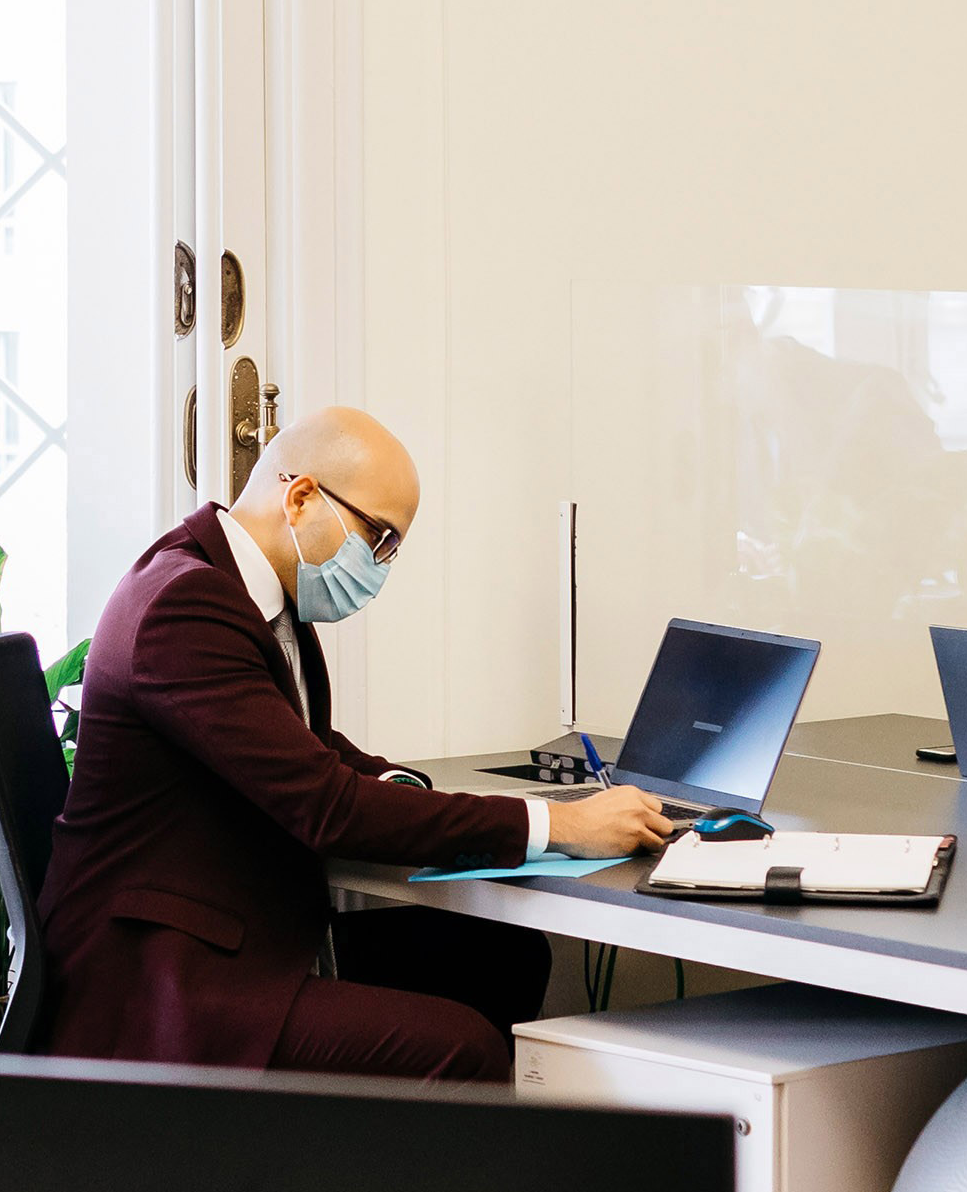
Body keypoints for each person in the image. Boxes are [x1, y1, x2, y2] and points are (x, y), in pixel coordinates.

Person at [35, 406, 675, 1084]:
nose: (381, 564)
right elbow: (326, 807)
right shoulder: (183, 607)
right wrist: (559, 823)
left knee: (503, 953)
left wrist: (404, 790)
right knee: (463, 1049)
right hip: (161, 979)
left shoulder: (250, 591)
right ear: (302, 496)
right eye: (379, 538)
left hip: (238, 936)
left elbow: (310, 747)